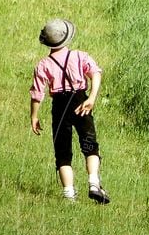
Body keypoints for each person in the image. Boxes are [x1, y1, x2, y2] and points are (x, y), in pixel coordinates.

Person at [30, 18, 110, 204]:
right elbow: (95, 73)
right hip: (80, 100)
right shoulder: (80, 56)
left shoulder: (43, 65)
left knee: (62, 151)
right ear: (67, 38)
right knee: (90, 144)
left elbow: (37, 94)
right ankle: (93, 183)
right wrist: (91, 98)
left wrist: (34, 116)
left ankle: (69, 194)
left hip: (59, 106)